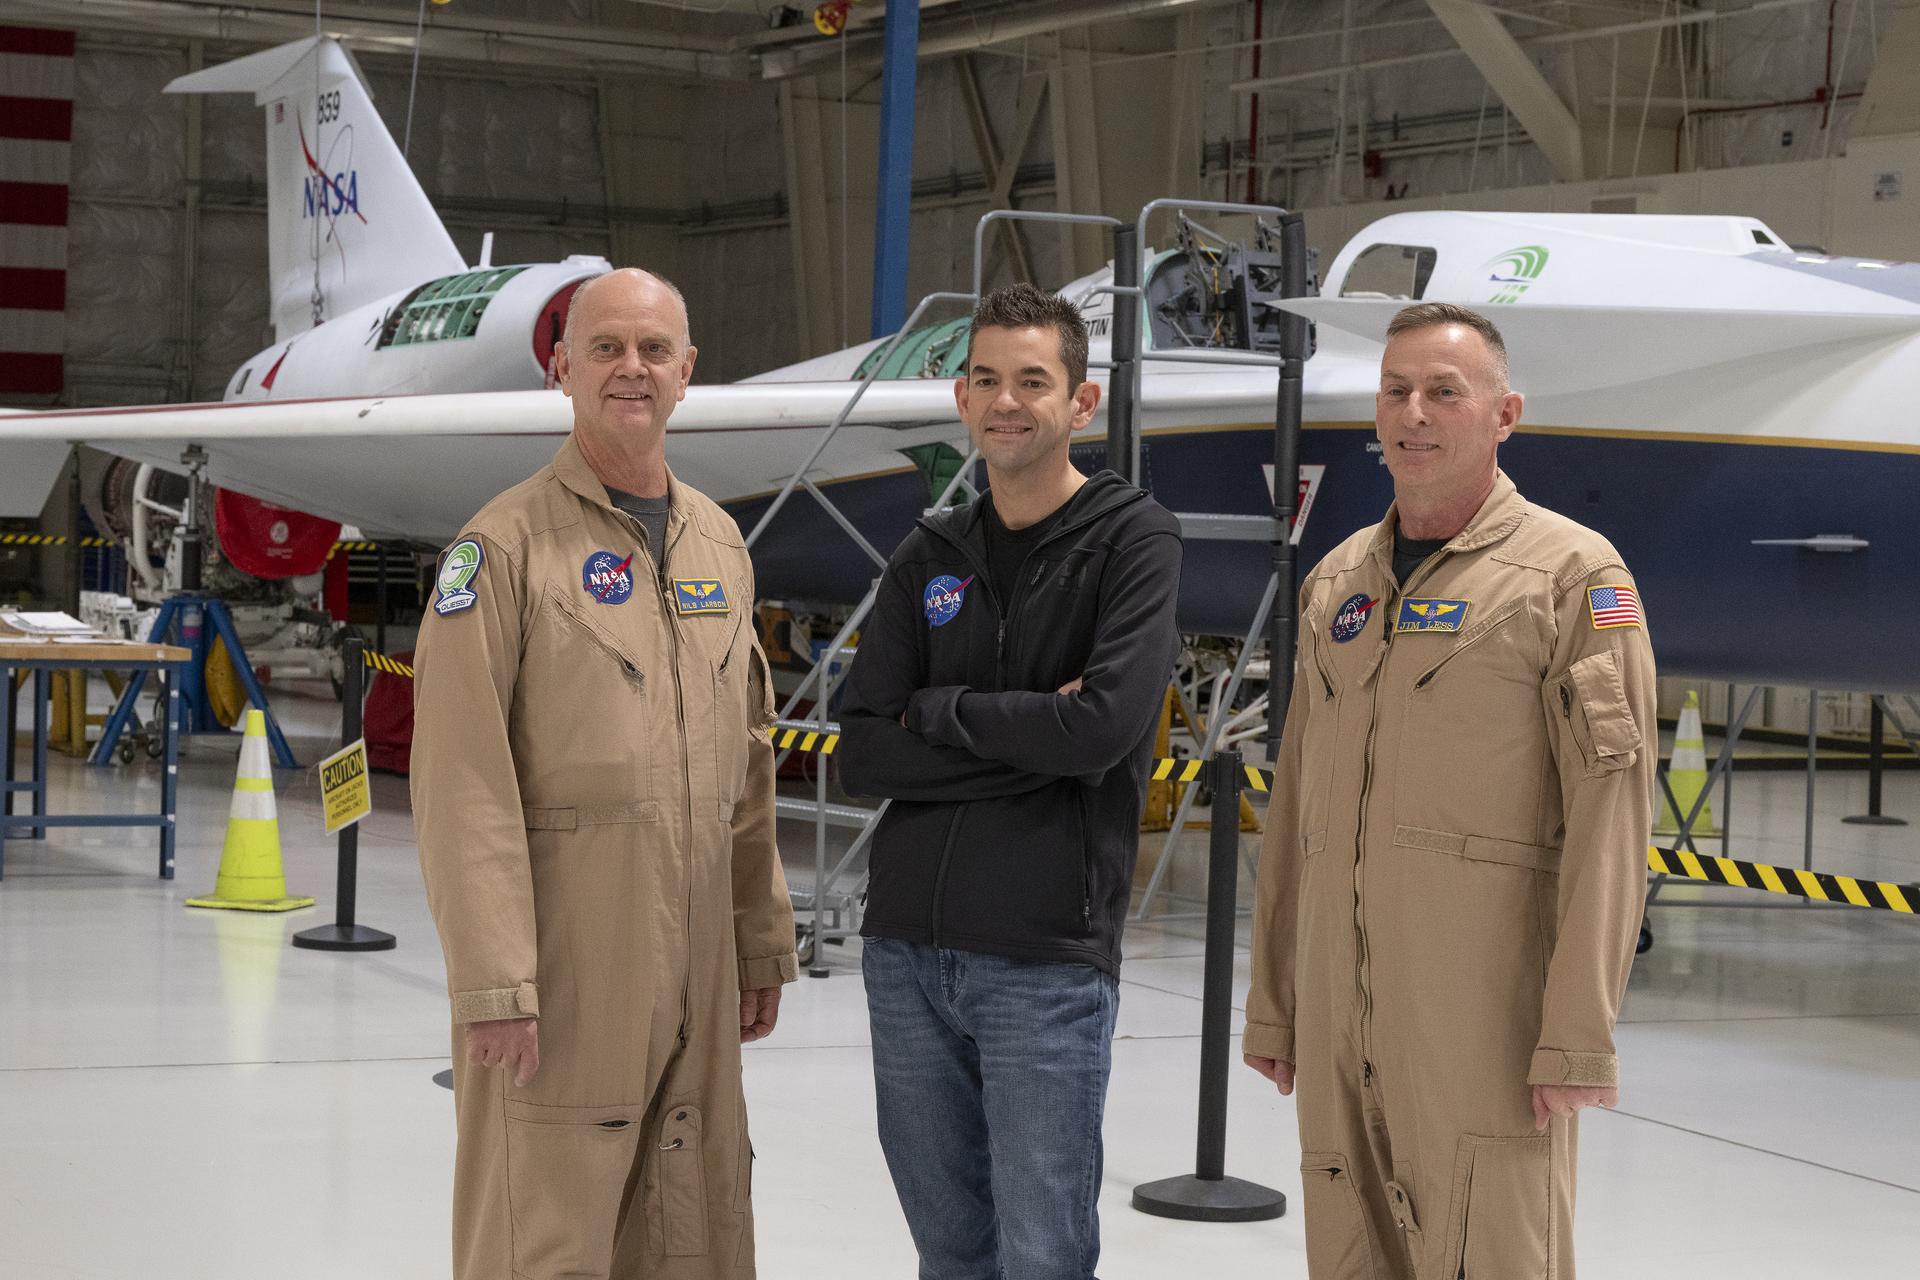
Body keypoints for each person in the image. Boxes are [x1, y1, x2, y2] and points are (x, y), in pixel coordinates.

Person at [1242, 301, 1655, 1278]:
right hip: (1340, 1011)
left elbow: (1613, 816)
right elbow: (1296, 799)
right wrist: (1278, 1000)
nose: (1413, 412)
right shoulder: (1339, 580)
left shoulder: (1571, 576)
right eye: (1395, 391)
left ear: (1503, 413)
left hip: (1484, 1018)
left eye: (1443, 391)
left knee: (1491, 1250)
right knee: (1347, 1251)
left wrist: (1578, 1033)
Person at [411, 268, 797, 1280]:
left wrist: (759, 938)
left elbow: (745, 769)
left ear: (687, 372)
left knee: (692, 1218)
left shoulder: (720, 541)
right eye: (608, 348)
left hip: (701, 956)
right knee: (542, 1222)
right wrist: (496, 979)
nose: (634, 370)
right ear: (563, 368)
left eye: (655, 350)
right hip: (572, 954)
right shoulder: (502, 549)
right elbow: (463, 782)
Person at [837, 283, 1184, 1279]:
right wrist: (1033, 731)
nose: (1006, 401)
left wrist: (941, 712)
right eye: (986, 378)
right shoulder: (929, 551)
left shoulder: (1133, 539)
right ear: (961, 397)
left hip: (1043, 956)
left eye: (1033, 380)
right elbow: (863, 748)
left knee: (1042, 1252)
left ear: (1083, 401)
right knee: (948, 1250)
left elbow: (1102, 729)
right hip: (905, 949)